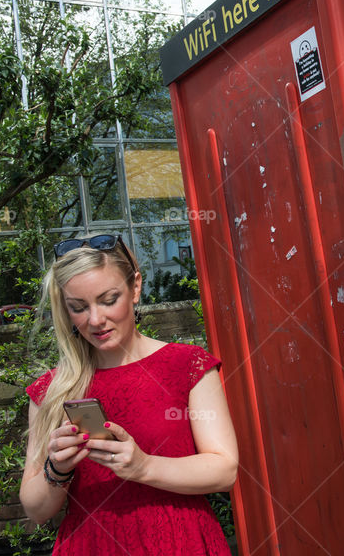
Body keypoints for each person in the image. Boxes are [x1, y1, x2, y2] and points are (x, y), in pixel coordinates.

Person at [19, 234, 237, 555]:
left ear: (135, 288)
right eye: (78, 307)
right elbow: (36, 510)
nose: (95, 320)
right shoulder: (51, 389)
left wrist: (143, 467)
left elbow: (224, 471)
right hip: (90, 544)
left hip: (179, 542)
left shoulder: (186, 364)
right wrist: (57, 469)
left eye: (108, 299)